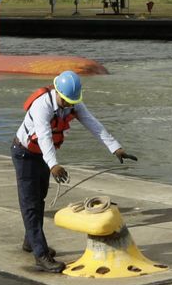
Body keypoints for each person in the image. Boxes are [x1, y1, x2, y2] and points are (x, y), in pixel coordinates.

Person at [12, 70, 137, 273]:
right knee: (30, 203)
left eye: (73, 101)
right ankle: (40, 254)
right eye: (67, 100)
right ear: (57, 92)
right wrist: (53, 164)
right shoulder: (42, 105)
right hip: (25, 154)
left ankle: (30, 241)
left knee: (40, 197)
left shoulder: (73, 103)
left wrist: (116, 148)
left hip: (42, 156)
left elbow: (93, 124)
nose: (70, 104)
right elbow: (44, 136)